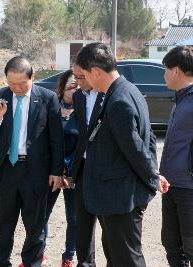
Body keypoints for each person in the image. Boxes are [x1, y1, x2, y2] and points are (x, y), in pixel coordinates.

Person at [75, 42, 169, 267]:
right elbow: (147, 141)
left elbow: (135, 146)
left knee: (127, 259)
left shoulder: (118, 100)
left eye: (85, 75)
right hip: (117, 196)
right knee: (116, 257)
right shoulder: (127, 89)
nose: (84, 81)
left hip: (120, 197)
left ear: (96, 71)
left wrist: (153, 177)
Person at [0, 56, 64, 267]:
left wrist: (57, 171)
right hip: (7, 171)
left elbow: (56, 138)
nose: (16, 88)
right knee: (3, 227)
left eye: (21, 83)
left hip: (35, 172)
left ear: (32, 77)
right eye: (12, 83)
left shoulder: (47, 98)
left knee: (35, 228)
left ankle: (32, 263)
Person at [160, 45, 193, 267]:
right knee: (171, 244)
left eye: (165, 69)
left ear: (176, 71)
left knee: (191, 246)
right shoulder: (179, 99)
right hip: (170, 185)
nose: (164, 75)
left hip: (189, 187)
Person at [43, 69, 78, 267]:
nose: (76, 88)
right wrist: (56, 169)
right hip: (51, 173)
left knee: (74, 218)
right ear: (63, 85)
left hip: (74, 175)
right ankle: (39, 253)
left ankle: (69, 257)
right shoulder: (51, 106)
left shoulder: (85, 110)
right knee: (42, 215)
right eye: (72, 84)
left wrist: (67, 170)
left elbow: (84, 144)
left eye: (79, 85)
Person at [71, 63, 105, 267]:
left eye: (81, 77)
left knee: (110, 228)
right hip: (83, 170)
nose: (77, 82)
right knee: (82, 225)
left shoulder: (109, 95)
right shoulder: (78, 96)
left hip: (106, 172)